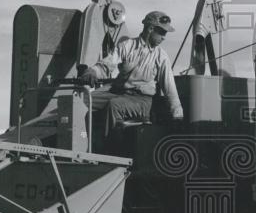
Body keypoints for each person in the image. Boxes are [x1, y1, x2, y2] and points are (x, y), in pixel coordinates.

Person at [77, 10, 184, 139]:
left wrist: (177, 115)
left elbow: (170, 89)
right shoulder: (127, 46)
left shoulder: (161, 57)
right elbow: (107, 64)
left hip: (143, 100)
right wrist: (92, 71)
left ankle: (111, 152)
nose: (164, 37)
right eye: (162, 32)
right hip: (118, 92)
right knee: (81, 101)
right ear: (150, 29)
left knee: (115, 105)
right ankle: (83, 142)